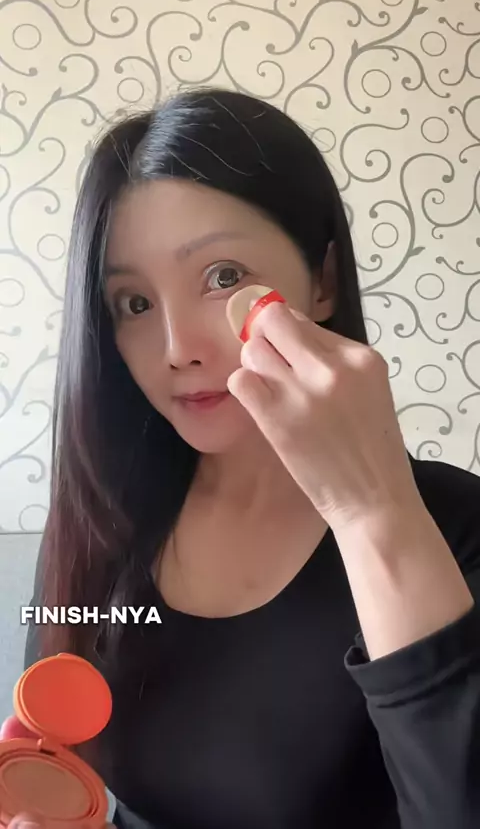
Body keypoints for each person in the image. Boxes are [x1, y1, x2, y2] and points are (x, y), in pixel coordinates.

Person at [2, 87, 479, 829]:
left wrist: (372, 513)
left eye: (223, 276)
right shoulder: (105, 521)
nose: (177, 350)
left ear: (322, 280)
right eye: (134, 304)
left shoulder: (456, 527)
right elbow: (68, 761)